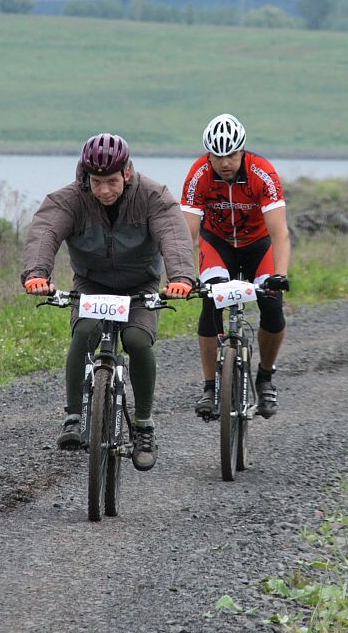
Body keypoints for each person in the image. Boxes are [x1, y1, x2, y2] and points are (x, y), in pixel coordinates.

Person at [22, 133, 194, 470]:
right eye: (96, 182)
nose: (103, 190)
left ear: (127, 173)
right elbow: (45, 231)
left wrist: (181, 278)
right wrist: (36, 274)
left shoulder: (153, 195)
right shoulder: (69, 200)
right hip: (92, 283)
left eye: (111, 181)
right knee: (85, 332)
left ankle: (143, 426)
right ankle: (73, 417)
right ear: (86, 176)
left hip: (140, 285)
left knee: (137, 340)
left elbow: (173, 234)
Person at [180, 113, 290, 419]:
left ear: (242, 151)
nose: (225, 162)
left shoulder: (262, 172)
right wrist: (182, 276)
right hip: (218, 243)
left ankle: (265, 377)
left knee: (272, 305)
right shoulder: (199, 174)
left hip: (258, 244)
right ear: (209, 155)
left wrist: (280, 275)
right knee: (211, 301)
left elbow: (280, 232)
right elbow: (187, 232)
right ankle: (209, 387)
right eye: (217, 156)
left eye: (231, 155)